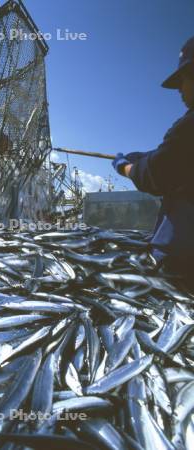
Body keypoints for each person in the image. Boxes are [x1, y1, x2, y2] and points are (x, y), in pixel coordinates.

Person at [112, 36, 194, 276]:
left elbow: (155, 175)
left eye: (182, 79)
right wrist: (146, 156)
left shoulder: (189, 126)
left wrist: (124, 166)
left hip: (185, 265)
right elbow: (178, 160)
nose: (179, 88)